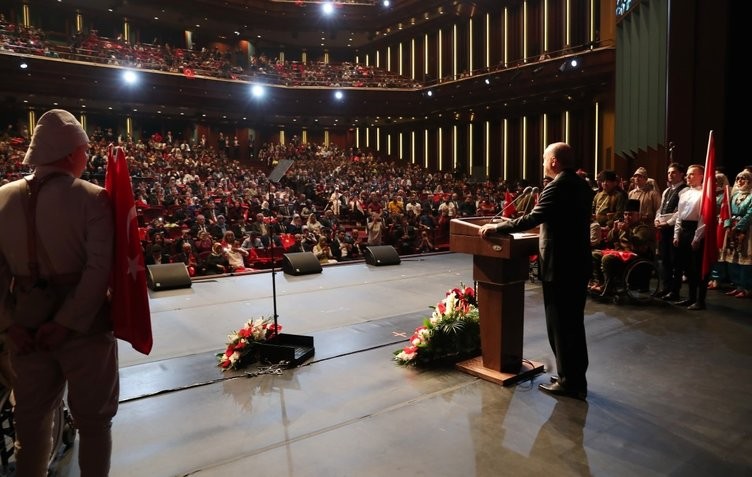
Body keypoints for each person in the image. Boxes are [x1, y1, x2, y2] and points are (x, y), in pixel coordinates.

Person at [0, 109, 118, 475]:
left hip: (25, 325)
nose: (87, 157)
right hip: (85, 328)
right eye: (85, 151)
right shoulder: (93, 198)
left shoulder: (1, 198)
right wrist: (67, 323)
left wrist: (7, 325)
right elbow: (99, 271)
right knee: (94, 423)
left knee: (30, 422)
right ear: (71, 153)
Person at [479, 142, 593, 400]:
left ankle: (570, 383)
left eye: (544, 159)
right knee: (573, 326)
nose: (542, 163)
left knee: (561, 327)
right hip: (577, 264)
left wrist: (498, 227)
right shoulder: (581, 185)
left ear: (554, 162)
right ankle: (572, 376)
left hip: (561, 267)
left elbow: (533, 218)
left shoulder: (558, 186)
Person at [590, 199, 656, 295]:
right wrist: (614, 230)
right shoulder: (623, 226)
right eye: (625, 214)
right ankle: (599, 282)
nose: (627, 217)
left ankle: (609, 286)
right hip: (621, 254)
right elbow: (609, 239)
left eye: (630, 214)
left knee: (607, 258)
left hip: (635, 257)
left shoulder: (643, 228)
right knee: (595, 254)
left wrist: (627, 230)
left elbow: (638, 242)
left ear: (638, 215)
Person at [672, 164, 707, 310]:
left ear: (701, 176)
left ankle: (700, 300)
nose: (688, 176)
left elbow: (703, 218)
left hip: (695, 231)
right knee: (686, 267)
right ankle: (690, 297)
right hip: (684, 231)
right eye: (687, 174)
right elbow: (680, 216)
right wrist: (676, 234)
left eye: (692, 174)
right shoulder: (684, 193)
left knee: (697, 268)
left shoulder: (704, 195)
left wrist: (697, 238)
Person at [654, 163, 688, 300]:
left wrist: (667, 223)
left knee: (675, 261)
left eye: (673, 172)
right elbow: (660, 209)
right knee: (665, 260)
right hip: (663, 229)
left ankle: (675, 291)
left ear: (681, 174)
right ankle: (666, 287)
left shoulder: (684, 190)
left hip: (675, 229)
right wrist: (656, 219)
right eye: (669, 173)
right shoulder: (666, 191)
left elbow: (680, 212)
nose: (670, 175)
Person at [719, 170, 752, 298]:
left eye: (743, 178)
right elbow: (727, 211)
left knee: (745, 259)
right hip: (732, 229)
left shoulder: (751, 196)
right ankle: (738, 285)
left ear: (749, 181)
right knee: (733, 259)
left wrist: (738, 227)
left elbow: (750, 213)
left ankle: (746, 287)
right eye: (738, 178)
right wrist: (727, 225)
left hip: (746, 230)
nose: (739, 181)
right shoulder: (733, 196)